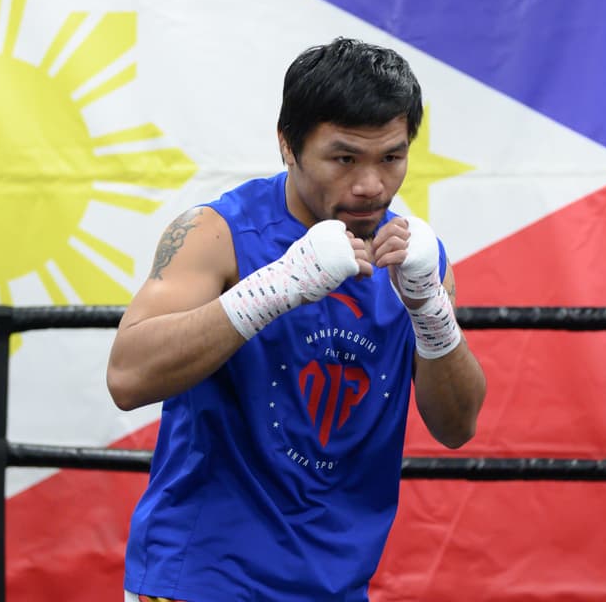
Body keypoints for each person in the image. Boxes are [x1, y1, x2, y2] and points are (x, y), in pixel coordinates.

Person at [107, 37, 487, 602]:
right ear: (289, 145)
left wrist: (430, 309)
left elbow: (457, 426)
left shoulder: (409, 258)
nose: (371, 185)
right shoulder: (219, 234)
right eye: (344, 158)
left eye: (391, 157)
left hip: (336, 584)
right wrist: (274, 288)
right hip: (204, 579)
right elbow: (127, 377)